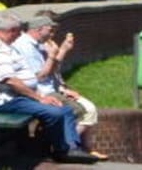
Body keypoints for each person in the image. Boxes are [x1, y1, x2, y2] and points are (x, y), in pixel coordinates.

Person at [0, 12, 100, 164]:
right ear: (11, 30)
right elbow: (9, 80)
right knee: (55, 112)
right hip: (7, 101)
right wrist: (40, 98)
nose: (20, 36)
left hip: (21, 96)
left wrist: (42, 95)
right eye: (18, 32)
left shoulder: (7, 45)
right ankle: (60, 150)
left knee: (65, 109)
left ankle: (70, 148)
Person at [17, 12, 101, 155]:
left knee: (83, 109)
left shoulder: (39, 44)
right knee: (79, 110)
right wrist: (56, 54)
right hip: (40, 91)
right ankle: (64, 147)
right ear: (39, 28)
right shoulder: (28, 46)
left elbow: (52, 72)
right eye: (51, 30)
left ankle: (69, 146)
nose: (53, 34)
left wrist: (61, 51)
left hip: (50, 88)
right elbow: (41, 76)